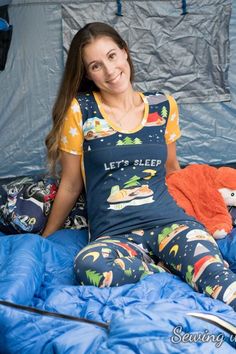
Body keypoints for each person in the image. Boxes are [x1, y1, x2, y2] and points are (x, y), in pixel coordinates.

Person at [43, 22, 236, 310]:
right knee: (89, 267)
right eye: (96, 66)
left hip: (171, 222)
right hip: (114, 233)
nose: (109, 71)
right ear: (87, 73)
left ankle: (192, 269)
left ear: (124, 53)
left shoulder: (164, 106)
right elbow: (72, 184)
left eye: (111, 56)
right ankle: (170, 273)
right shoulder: (80, 110)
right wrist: (46, 237)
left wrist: (202, 207)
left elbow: (172, 170)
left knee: (219, 278)